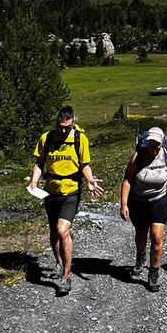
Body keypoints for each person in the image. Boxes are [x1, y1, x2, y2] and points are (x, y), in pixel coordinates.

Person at [29, 106, 105, 294]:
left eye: (67, 127)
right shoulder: (46, 138)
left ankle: (66, 276)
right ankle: (59, 261)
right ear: (56, 123)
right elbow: (39, 163)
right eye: (60, 127)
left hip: (71, 190)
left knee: (63, 230)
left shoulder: (80, 139)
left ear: (73, 123)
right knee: (54, 231)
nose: (63, 131)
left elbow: (84, 164)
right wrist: (34, 182)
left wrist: (89, 180)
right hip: (50, 190)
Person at [120, 127, 167, 292]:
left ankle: (154, 271)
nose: (153, 148)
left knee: (157, 237)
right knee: (140, 232)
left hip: (159, 199)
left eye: (157, 145)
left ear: (162, 144)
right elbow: (127, 181)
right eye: (151, 144)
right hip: (138, 200)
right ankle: (140, 257)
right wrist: (124, 204)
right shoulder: (137, 157)